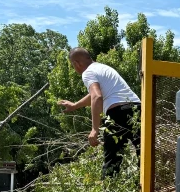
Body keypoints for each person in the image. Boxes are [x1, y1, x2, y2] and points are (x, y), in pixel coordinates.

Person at [57, 48, 141, 177]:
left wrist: (94, 129)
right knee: (144, 154)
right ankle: (149, 190)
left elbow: (97, 96)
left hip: (117, 114)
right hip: (137, 110)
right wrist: (75, 105)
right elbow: (94, 94)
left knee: (112, 161)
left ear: (76, 63)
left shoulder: (88, 72)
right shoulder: (104, 68)